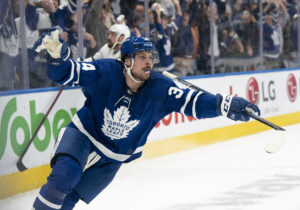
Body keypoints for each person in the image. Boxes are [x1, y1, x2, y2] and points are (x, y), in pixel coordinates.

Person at [31, 28, 260, 210]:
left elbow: (195, 102)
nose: (149, 62)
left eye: (150, 57)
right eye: (142, 57)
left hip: (113, 157)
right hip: (84, 136)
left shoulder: (161, 87)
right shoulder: (106, 70)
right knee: (64, 176)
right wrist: (57, 58)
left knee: (70, 198)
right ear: (127, 61)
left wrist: (224, 104)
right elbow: (66, 73)